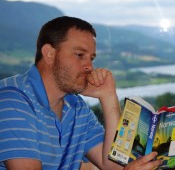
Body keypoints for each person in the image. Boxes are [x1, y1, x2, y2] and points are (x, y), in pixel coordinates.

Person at [0, 16, 162, 170]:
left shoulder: (76, 106)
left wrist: (108, 96)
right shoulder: (12, 100)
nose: (89, 67)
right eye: (79, 55)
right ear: (50, 53)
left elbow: (114, 166)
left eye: (91, 58)